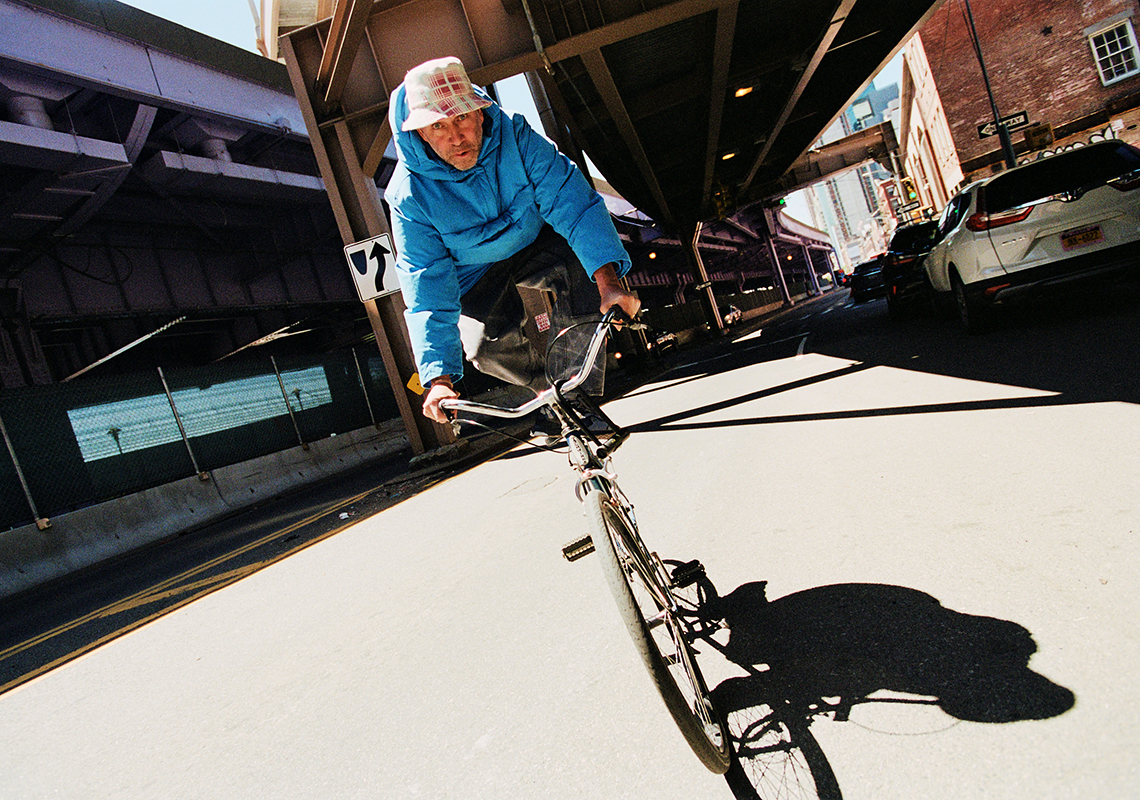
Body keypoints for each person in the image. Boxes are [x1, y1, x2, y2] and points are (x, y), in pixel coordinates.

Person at [383, 56, 640, 429]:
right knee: (483, 348)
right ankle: (548, 395)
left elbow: (572, 203)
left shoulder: (517, 136)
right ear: (420, 133)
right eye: (438, 126)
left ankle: (572, 392)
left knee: (584, 275)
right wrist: (438, 380)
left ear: (480, 114)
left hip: (537, 241)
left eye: (462, 119)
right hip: (475, 273)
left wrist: (610, 284)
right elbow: (425, 285)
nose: (456, 138)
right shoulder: (409, 196)